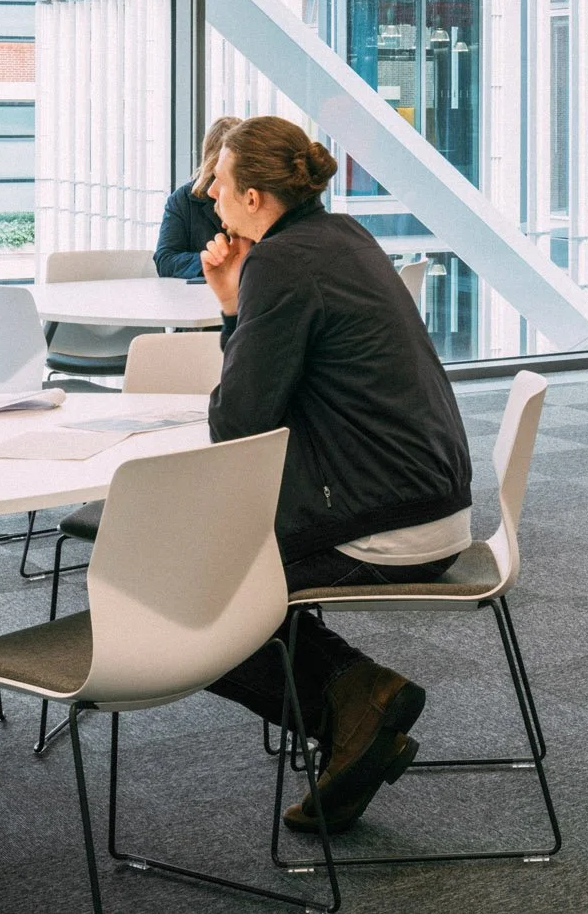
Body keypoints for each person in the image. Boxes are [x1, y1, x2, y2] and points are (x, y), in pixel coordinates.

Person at [199, 116, 476, 837]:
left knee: (192, 599)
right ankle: (355, 720)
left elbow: (239, 423)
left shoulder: (281, 263)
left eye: (220, 185)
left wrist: (231, 306)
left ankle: (359, 699)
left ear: (256, 198)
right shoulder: (344, 235)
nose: (209, 196)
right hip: (431, 502)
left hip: (382, 520)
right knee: (221, 570)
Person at [155, 114, 241, 337]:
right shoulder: (183, 199)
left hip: (248, 311)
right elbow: (165, 259)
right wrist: (214, 262)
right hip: (196, 318)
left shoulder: (253, 201)